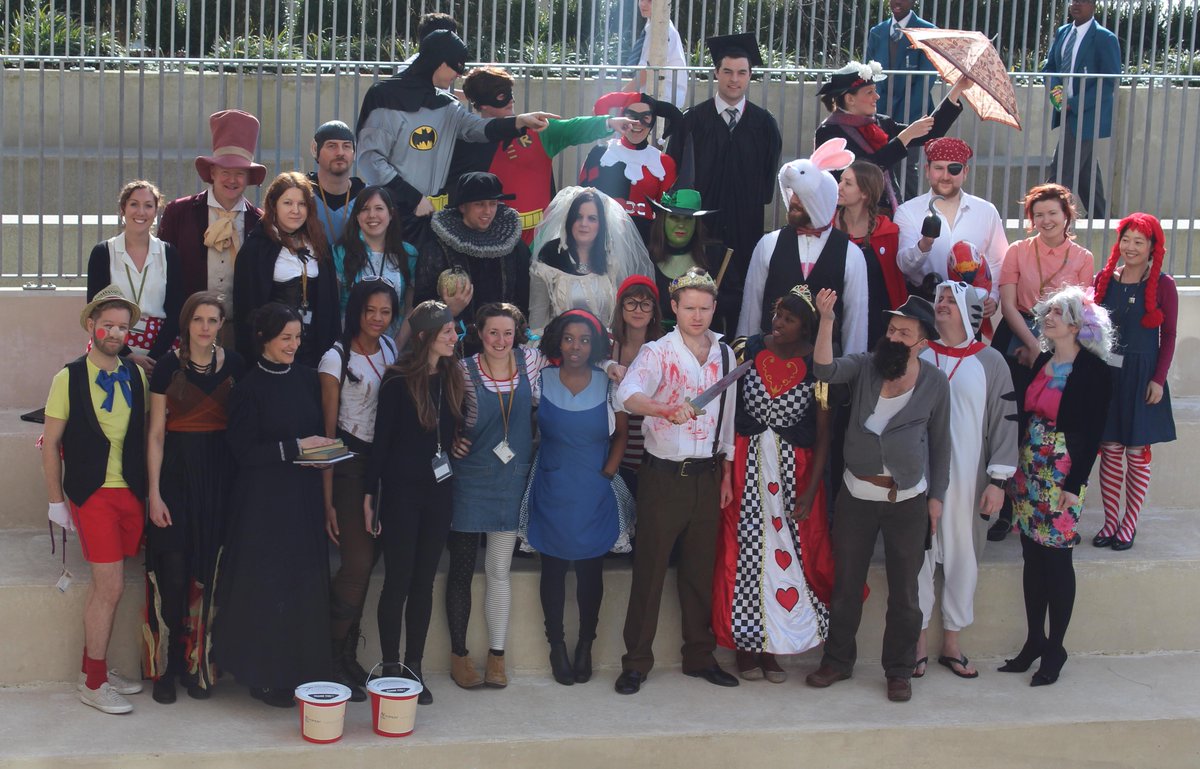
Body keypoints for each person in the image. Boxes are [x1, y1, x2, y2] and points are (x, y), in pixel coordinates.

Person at [804, 291, 950, 703]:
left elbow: (942, 445)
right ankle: (836, 661)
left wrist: (936, 497)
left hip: (908, 501)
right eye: (891, 329)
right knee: (847, 584)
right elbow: (824, 369)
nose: (894, 336)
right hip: (856, 495)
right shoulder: (867, 366)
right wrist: (827, 320)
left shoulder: (935, 383)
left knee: (906, 592)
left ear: (923, 344)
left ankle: (899, 670)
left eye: (904, 333)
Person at [613, 268, 739, 694]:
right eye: (689, 308)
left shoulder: (726, 353)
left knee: (699, 571)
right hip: (663, 477)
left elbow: (728, 414)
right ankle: (636, 662)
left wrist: (726, 471)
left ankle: (699, 656)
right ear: (675, 308)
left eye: (704, 308)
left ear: (714, 307)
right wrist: (664, 410)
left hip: (707, 475)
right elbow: (625, 395)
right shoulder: (657, 352)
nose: (697, 315)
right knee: (649, 570)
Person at [211, 303, 336, 708]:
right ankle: (263, 675)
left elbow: (315, 433)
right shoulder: (247, 387)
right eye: (286, 338)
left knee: (301, 584)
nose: (294, 345)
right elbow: (244, 451)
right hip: (262, 503)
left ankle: (302, 671)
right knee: (266, 587)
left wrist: (323, 451)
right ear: (264, 339)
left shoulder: (305, 378)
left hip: (301, 497)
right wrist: (296, 447)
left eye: (298, 337)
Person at [713, 286, 836, 683]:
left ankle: (774, 646)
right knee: (745, 553)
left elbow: (823, 432)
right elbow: (724, 408)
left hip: (791, 474)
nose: (778, 324)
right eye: (778, 315)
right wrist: (724, 467)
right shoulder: (746, 350)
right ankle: (746, 647)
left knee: (786, 554)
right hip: (746, 469)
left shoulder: (817, 366)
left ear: (806, 326)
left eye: (790, 318)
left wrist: (812, 489)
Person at [42, 286, 148, 715]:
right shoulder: (67, 377)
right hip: (94, 495)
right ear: (92, 325)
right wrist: (56, 501)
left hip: (133, 494)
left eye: (123, 327)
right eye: (108, 325)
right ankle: (93, 682)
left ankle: (96, 666)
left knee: (116, 586)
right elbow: (51, 444)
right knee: (111, 586)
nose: (115, 333)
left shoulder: (137, 375)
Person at [999, 286, 1112, 686]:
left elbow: (1093, 431)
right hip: (1030, 465)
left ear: (1079, 325)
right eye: (1048, 312)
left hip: (1062, 472)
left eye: (1058, 314)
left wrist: (1075, 482)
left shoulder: (1095, 370)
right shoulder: (1043, 358)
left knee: (1057, 558)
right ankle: (1034, 640)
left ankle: (1056, 647)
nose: (1048, 318)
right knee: (1031, 554)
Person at [143, 291, 245, 704]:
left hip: (219, 480)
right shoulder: (167, 367)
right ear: (186, 323)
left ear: (222, 324)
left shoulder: (236, 366)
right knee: (173, 570)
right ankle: (166, 666)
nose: (205, 327)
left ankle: (197, 664)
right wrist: (153, 493)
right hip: (174, 480)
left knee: (209, 569)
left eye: (213, 320)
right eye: (198, 319)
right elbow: (154, 435)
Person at [913, 281, 1017, 680]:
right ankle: (919, 642)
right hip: (918, 478)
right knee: (917, 558)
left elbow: (1005, 423)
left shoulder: (991, 362)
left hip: (968, 480)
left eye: (949, 300)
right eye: (938, 299)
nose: (940, 305)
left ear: (969, 311)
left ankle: (952, 642)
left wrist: (998, 481)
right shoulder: (919, 353)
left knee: (963, 559)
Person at [364, 301, 464, 706]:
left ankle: (414, 666)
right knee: (399, 581)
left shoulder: (454, 376)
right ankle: (390, 665)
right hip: (402, 495)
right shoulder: (397, 381)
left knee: (424, 583)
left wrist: (460, 444)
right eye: (446, 332)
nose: (454, 338)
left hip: (439, 493)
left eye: (454, 331)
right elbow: (380, 443)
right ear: (424, 338)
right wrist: (370, 497)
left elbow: (457, 428)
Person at [355, 30, 556, 226]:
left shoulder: (447, 105)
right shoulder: (383, 96)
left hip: (428, 218)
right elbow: (370, 159)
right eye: (456, 67)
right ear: (440, 62)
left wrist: (520, 121)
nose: (459, 74)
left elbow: (478, 129)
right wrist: (413, 198)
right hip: (385, 215)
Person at [527, 309, 629, 686]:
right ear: (558, 340)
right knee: (552, 569)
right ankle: (557, 645)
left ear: (596, 345)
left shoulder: (609, 383)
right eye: (569, 338)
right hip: (552, 484)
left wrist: (609, 472)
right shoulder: (541, 378)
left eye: (585, 340)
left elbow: (621, 434)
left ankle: (586, 643)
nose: (576, 346)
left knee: (590, 571)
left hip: (594, 487)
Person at [444, 303, 539, 690]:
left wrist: (615, 368)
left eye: (507, 332)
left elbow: (584, 352)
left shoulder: (531, 363)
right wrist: (451, 439)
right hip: (470, 480)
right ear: (479, 334)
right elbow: (443, 413)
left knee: (500, 569)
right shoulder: (461, 370)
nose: (501, 341)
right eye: (493, 333)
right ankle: (459, 655)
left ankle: (496, 658)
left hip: (510, 480)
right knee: (463, 570)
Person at [666, 33, 783, 334]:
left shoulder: (764, 125)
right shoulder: (691, 122)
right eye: (727, 72)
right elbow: (675, 180)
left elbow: (766, 186)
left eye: (742, 72)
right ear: (716, 73)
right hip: (701, 235)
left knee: (744, 304)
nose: (734, 80)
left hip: (746, 232)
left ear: (750, 76)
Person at [317, 280, 400, 701]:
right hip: (348, 464)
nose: (377, 318)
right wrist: (328, 497)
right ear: (357, 311)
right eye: (370, 310)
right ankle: (327, 656)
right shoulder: (335, 358)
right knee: (357, 563)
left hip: (381, 466)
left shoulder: (390, 350)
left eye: (385, 311)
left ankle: (347, 653)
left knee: (369, 563)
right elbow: (328, 432)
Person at [451, 66, 627, 244]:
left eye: (510, 93)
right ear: (482, 105)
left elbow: (572, 128)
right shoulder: (467, 140)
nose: (510, 100)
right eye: (500, 96)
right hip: (487, 235)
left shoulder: (536, 129)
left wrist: (609, 122)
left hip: (537, 236)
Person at [1092, 213, 1177, 550]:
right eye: (1126, 240)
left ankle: (1129, 524)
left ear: (1152, 247)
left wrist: (1159, 379)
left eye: (1138, 242)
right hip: (1108, 374)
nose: (1130, 247)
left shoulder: (1165, 285)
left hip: (1143, 375)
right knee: (1110, 449)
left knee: (1137, 451)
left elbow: (1168, 336)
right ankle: (1111, 521)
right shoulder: (1105, 278)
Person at [738, 140, 869, 357]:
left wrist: (851, 374)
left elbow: (856, 321)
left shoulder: (851, 254)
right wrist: (743, 357)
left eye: (802, 195)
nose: (794, 201)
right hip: (769, 362)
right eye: (792, 194)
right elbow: (751, 308)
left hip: (823, 370)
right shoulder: (768, 244)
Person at [815, 60, 968, 214]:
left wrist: (957, 90)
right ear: (850, 99)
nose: (877, 96)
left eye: (875, 90)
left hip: (884, 210)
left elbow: (931, 133)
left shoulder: (881, 122)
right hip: (848, 213)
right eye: (869, 92)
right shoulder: (829, 131)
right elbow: (864, 169)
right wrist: (904, 138)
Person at [159, 109, 266, 320]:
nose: (232, 180)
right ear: (213, 173)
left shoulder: (260, 222)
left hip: (241, 326)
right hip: (189, 324)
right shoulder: (179, 213)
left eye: (239, 173)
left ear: (248, 178)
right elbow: (162, 271)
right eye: (225, 172)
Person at [232, 172, 339, 369]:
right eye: (288, 203)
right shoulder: (257, 248)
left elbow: (330, 301)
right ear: (274, 205)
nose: (295, 210)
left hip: (314, 349)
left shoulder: (318, 242)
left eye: (302, 204)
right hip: (272, 351)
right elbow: (246, 308)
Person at [894, 138, 1007, 308]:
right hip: (925, 307)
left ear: (965, 171)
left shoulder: (986, 211)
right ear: (927, 170)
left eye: (953, 169)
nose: (945, 176)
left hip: (970, 308)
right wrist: (924, 244)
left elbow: (998, 260)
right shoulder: (907, 212)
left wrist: (993, 295)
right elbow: (904, 266)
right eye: (938, 168)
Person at [86, 180, 184, 373]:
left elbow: (176, 311)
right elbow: (95, 307)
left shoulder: (168, 253)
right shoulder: (103, 252)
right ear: (123, 209)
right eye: (134, 204)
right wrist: (128, 355)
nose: (141, 212)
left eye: (148, 206)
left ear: (156, 212)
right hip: (112, 342)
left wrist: (153, 357)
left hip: (160, 348)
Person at [528, 186, 654, 331]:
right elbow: (537, 319)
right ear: (569, 220)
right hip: (559, 348)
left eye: (592, 219)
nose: (584, 224)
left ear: (601, 224)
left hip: (605, 348)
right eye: (578, 217)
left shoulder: (612, 259)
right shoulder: (549, 256)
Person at [997, 183, 1094, 367]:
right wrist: (1034, 345)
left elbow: (1079, 311)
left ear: (1066, 214)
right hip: (1017, 333)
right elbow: (1008, 306)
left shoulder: (1084, 258)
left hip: (1060, 340)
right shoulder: (1017, 250)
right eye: (1039, 215)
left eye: (1052, 213)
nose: (1046, 220)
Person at [1043, 0, 1121, 220]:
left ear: (1094, 6)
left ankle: (1048, 217)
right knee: (1086, 173)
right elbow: (1050, 68)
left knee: (1061, 170)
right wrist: (1055, 90)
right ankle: (1101, 218)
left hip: (1088, 114)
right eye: (1073, 0)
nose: (1076, 4)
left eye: (1083, 1)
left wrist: (1075, 103)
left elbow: (1110, 82)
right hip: (1066, 111)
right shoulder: (1063, 32)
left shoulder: (1105, 38)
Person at [582, 91, 681, 242]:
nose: (637, 123)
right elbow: (583, 198)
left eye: (645, 118)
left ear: (652, 121)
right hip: (601, 240)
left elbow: (665, 213)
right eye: (632, 116)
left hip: (645, 242)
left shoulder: (664, 162)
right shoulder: (600, 154)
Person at [864, 0, 938, 201]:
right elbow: (870, 75)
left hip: (910, 114)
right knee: (879, 164)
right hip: (879, 111)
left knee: (906, 167)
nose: (897, 2)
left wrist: (907, 120)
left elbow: (925, 80)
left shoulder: (928, 31)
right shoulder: (877, 31)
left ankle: (909, 212)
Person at [332, 185, 418, 342]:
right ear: (357, 216)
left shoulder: (408, 254)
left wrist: (395, 348)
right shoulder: (340, 252)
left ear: (391, 214)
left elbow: (410, 308)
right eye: (365, 209)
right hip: (350, 343)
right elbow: (332, 307)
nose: (372, 215)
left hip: (393, 346)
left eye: (379, 208)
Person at [835, 160, 906, 345]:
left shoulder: (887, 232)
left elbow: (895, 285)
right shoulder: (826, 228)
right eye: (841, 180)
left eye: (847, 183)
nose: (839, 187)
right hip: (834, 324)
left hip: (876, 328)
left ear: (865, 193)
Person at [611, 275, 666, 495]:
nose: (638, 309)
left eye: (645, 304)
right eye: (631, 302)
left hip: (652, 451)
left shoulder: (665, 347)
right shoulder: (607, 346)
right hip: (613, 447)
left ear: (654, 310)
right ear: (621, 307)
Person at [645, 189, 723, 323]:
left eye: (688, 218)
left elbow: (733, 303)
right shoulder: (645, 258)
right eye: (674, 217)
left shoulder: (716, 256)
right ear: (662, 221)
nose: (681, 225)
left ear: (696, 223)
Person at [308, 120, 366, 249]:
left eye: (346, 146)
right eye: (332, 146)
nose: (340, 152)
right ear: (315, 149)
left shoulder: (368, 198)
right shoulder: (301, 193)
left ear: (354, 152)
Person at [624, 0, 690, 108]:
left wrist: (620, 95)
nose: (643, 4)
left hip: (664, 100)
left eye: (650, 1)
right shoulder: (652, 25)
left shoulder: (662, 30)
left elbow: (647, 72)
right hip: (656, 98)